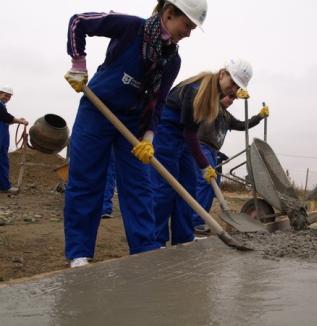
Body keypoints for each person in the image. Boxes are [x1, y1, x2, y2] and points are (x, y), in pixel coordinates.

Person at [63, 0, 208, 268]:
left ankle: (144, 250)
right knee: (87, 180)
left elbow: (159, 100)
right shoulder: (131, 27)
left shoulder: (172, 59)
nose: (188, 33)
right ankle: (79, 252)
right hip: (98, 109)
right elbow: (78, 22)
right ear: (169, 13)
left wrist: (149, 137)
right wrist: (78, 63)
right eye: (187, 25)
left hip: (132, 123)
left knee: (139, 186)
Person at [151, 58, 253, 246]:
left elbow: (190, 134)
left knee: (188, 188)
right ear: (222, 73)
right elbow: (191, 134)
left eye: (237, 87)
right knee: (165, 189)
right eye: (232, 83)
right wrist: (205, 165)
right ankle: (156, 240)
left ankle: (183, 238)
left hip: (184, 137)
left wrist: (203, 165)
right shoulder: (198, 90)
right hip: (167, 133)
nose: (233, 89)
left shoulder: (215, 96)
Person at [192, 93, 269, 234]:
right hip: (202, 146)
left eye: (234, 98)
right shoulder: (211, 105)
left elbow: (242, 125)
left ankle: (199, 220)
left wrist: (259, 116)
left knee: (212, 188)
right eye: (229, 96)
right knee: (205, 184)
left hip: (213, 151)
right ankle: (194, 221)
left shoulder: (227, 116)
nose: (232, 100)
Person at [0, 86, 28, 194]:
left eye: (9, 97)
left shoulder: (2, 107)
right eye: (5, 95)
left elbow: (6, 119)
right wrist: (20, 121)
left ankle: (4, 186)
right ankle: (4, 186)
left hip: (3, 137)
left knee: (2, 160)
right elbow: (6, 117)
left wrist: (17, 121)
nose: (7, 98)